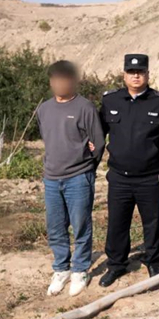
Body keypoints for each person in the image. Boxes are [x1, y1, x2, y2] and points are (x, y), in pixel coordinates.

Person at [99, 54, 159, 287]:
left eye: (140, 72)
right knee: (117, 223)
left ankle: (153, 261)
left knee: (152, 222)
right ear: (124, 75)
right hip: (119, 177)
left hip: (149, 177)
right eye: (131, 72)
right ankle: (116, 265)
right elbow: (98, 132)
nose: (136, 76)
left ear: (147, 75)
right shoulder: (111, 101)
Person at [37, 60, 105, 297]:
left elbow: (98, 143)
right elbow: (47, 137)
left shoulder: (85, 107)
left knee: (81, 225)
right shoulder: (44, 109)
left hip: (79, 177)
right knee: (55, 227)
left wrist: (86, 167)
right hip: (51, 178)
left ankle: (80, 270)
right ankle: (61, 269)